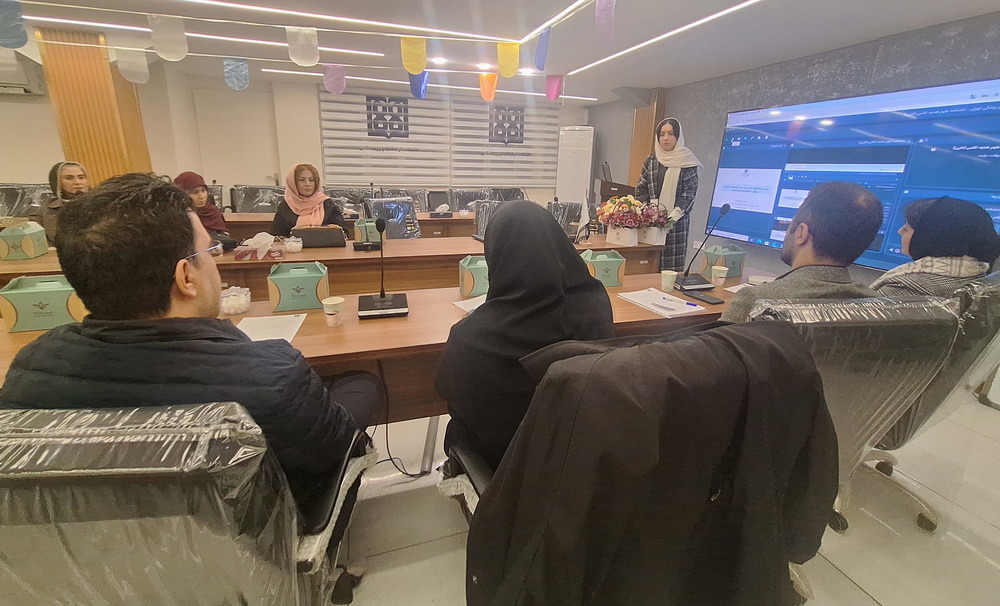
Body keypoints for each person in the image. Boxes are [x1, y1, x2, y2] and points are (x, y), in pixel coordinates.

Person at [0, 173, 383, 516]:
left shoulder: (27, 372)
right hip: (256, 543)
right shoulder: (272, 375)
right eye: (208, 251)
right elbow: (337, 445)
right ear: (186, 277)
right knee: (362, 384)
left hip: (101, 556)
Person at [435, 201, 615, 471]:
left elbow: (453, 399)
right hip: (577, 464)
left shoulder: (470, 337)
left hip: (502, 472)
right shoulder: (596, 306)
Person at [721, 181, 884, 323]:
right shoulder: (881, 307)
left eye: (789, 225)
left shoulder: (756, 301)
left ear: (801, 233)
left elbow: (718, 349)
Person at [871, 197, 1000, 297]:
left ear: (930, 237)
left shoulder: (906, 287)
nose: (900, 231)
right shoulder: (979, 274)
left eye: (907, 228)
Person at [634, 117, 703, 272]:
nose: (666, 138)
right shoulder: (652, 160)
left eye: (671, 134)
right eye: (662, 134)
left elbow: (689, 192)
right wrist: (648, 212)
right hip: (650, 221)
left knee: (670, 268)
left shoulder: (687, 161)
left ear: (678, 136)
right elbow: (641, 188)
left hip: (676, 223)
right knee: (648, 263)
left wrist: (671, 218)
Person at [271, 163, 348, 238]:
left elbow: (343, 232)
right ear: (293, 183)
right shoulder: (286, 205)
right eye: (302, 180)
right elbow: (277, 234)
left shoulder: (327, 203)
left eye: (311, 180)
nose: (307, 184)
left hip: (324, 246)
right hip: (294, 246)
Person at [172, 171, 239, 250]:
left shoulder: (213, 211)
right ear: (183, 194)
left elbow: (225, 237)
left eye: (203, 190)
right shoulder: (178, 215)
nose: (201, 196)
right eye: (195, 192)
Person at [31, 161, 89, 244]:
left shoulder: (100, 203)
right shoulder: (46, 207)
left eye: (81, 177)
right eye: (69, 178)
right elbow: (32, 232)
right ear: (58, 182)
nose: (77, 182)